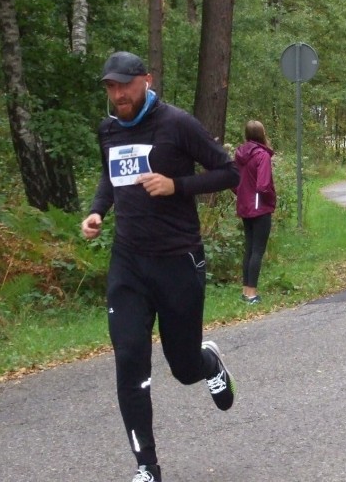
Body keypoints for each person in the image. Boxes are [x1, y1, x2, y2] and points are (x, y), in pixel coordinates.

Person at [81, 51, 240, 482]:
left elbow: (229, 174)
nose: (118, 95)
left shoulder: (177, 125)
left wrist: (177, 185)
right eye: (111, 87)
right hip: (129, 265)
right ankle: (147, 467)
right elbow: (108, 178)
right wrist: (97, 212)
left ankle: (208, 364)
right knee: (130, 358)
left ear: (145, 81)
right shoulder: (109, 130)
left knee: (182, 367)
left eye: (124, 86)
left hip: (178, 262)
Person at [234, 120, 276, 305]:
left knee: (249, 248)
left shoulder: (239, 155)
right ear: (262, 134)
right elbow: (263, 184)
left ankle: (245, 291)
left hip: (245, 206)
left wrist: (242, 194)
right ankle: (252, 294)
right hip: (260, 207)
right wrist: (268, 199)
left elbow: (234, 180)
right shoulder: (262, 155)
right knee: (258, 250)